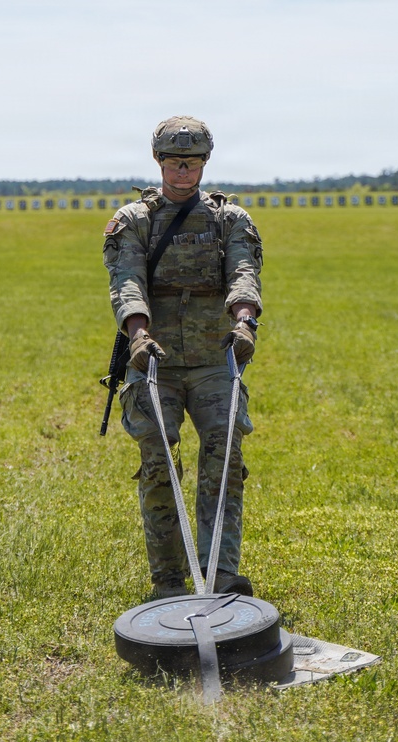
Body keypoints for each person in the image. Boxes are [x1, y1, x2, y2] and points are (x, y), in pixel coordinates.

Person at [102, 115, 264, 599]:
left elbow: (243, 271)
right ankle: (169, 580)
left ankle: (221, 574)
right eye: (174, 163)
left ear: (205, 163)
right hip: (154, 360)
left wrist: (244, 322)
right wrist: (138, 334)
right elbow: (126, 279)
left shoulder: (229, 219)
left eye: (192, 163)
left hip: (217, 357)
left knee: (224, 462)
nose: (183, 172)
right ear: (158, 162)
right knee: (158, 465)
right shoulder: (135, 220)